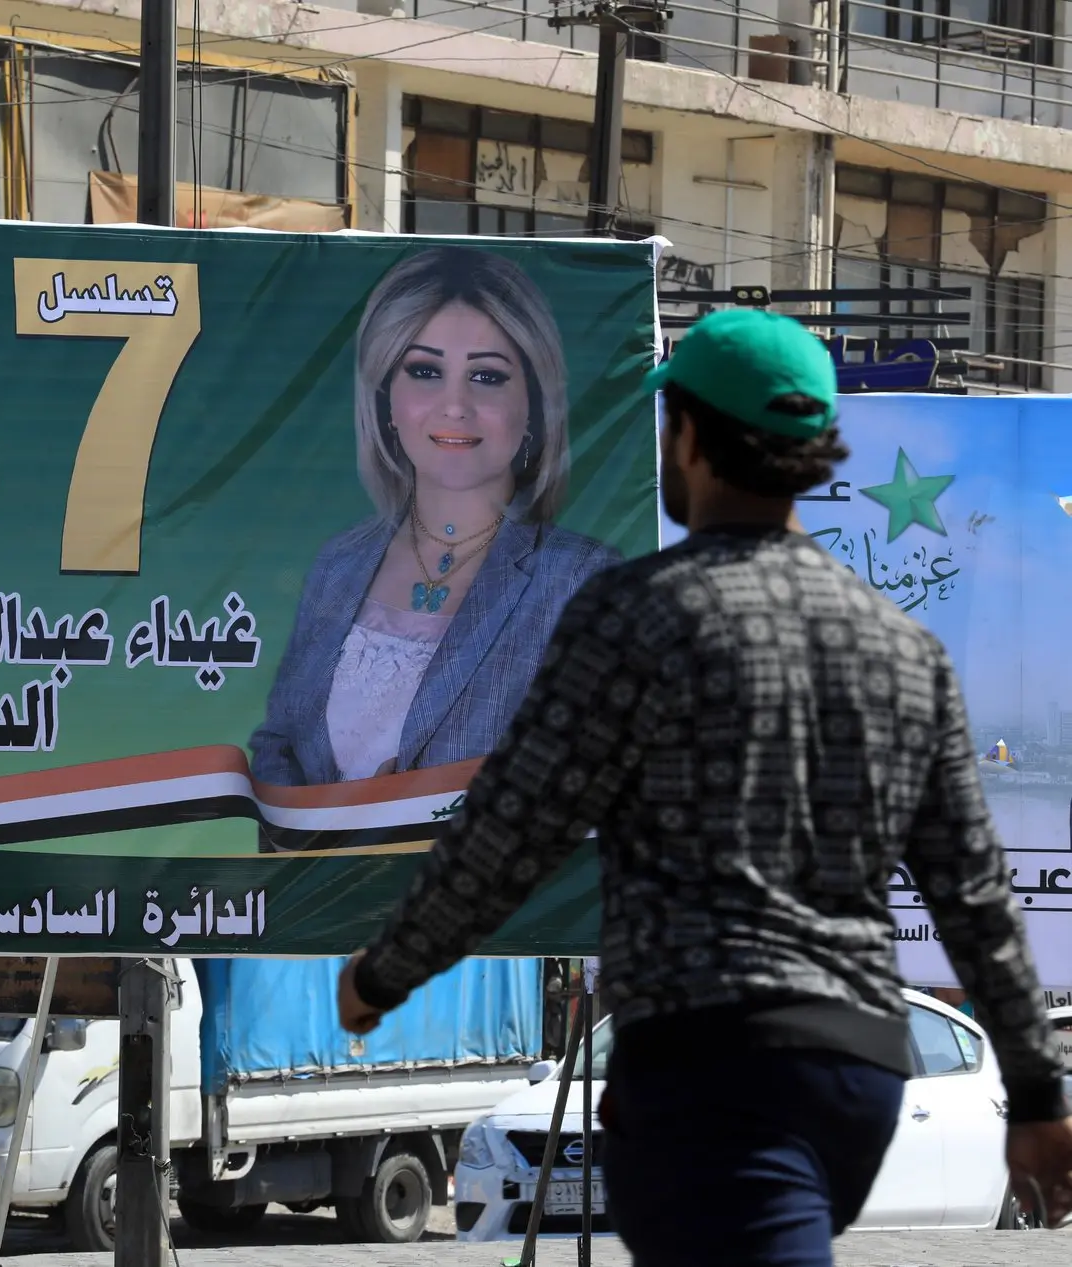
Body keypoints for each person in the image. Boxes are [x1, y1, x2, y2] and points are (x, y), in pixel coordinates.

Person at [335, 309, 1072, 1262]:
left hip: (713, 1061)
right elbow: (973, 897)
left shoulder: (639, 616)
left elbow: (511, 832)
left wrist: (384, 971)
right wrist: (1041, 1096)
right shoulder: (903, 650)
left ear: (691, 438)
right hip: (857, 1073)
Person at [250, 247, 620, 822]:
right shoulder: (339, 563)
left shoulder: (579, 580)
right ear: (386, 401)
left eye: (487, 376)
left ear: (533, 407)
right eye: (425, 371)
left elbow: (598, 778)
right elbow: (279, 746)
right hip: (328, 902)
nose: (455, 405)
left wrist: (415, 817)